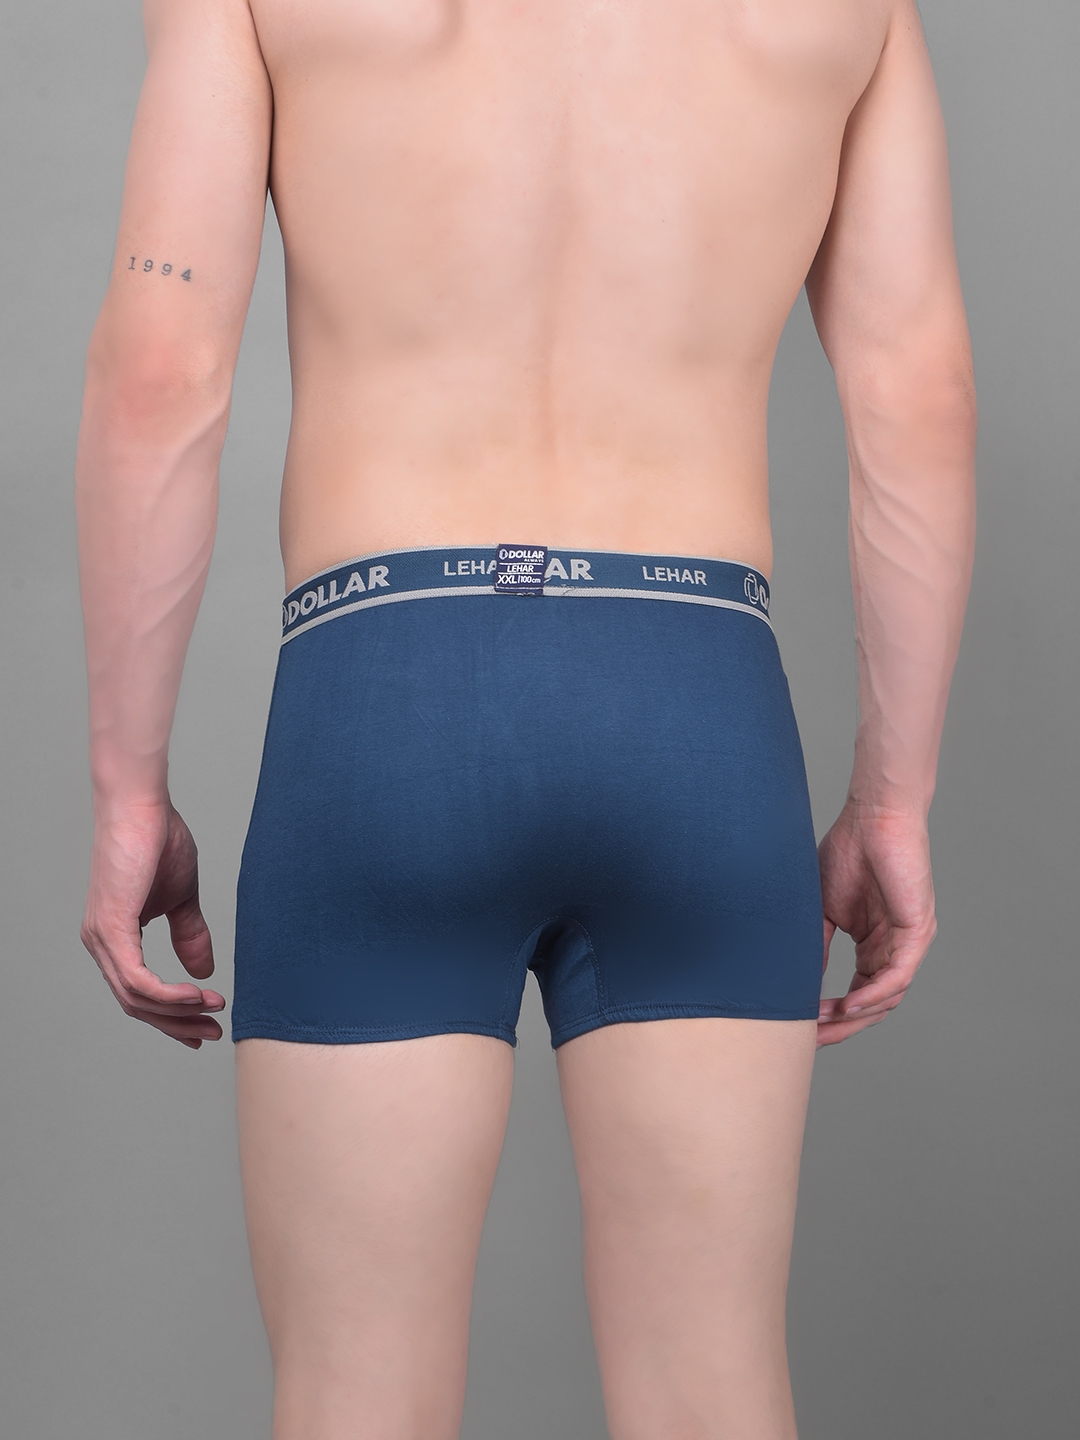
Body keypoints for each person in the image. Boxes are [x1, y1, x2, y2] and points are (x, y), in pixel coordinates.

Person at [75, 0, 975, 1435]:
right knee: (712, 1392)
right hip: (698, 709)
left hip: (388, 699)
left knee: (352, 1399)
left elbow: (161, 371)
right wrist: (894, 799)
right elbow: (917, 394)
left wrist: (129, 788)